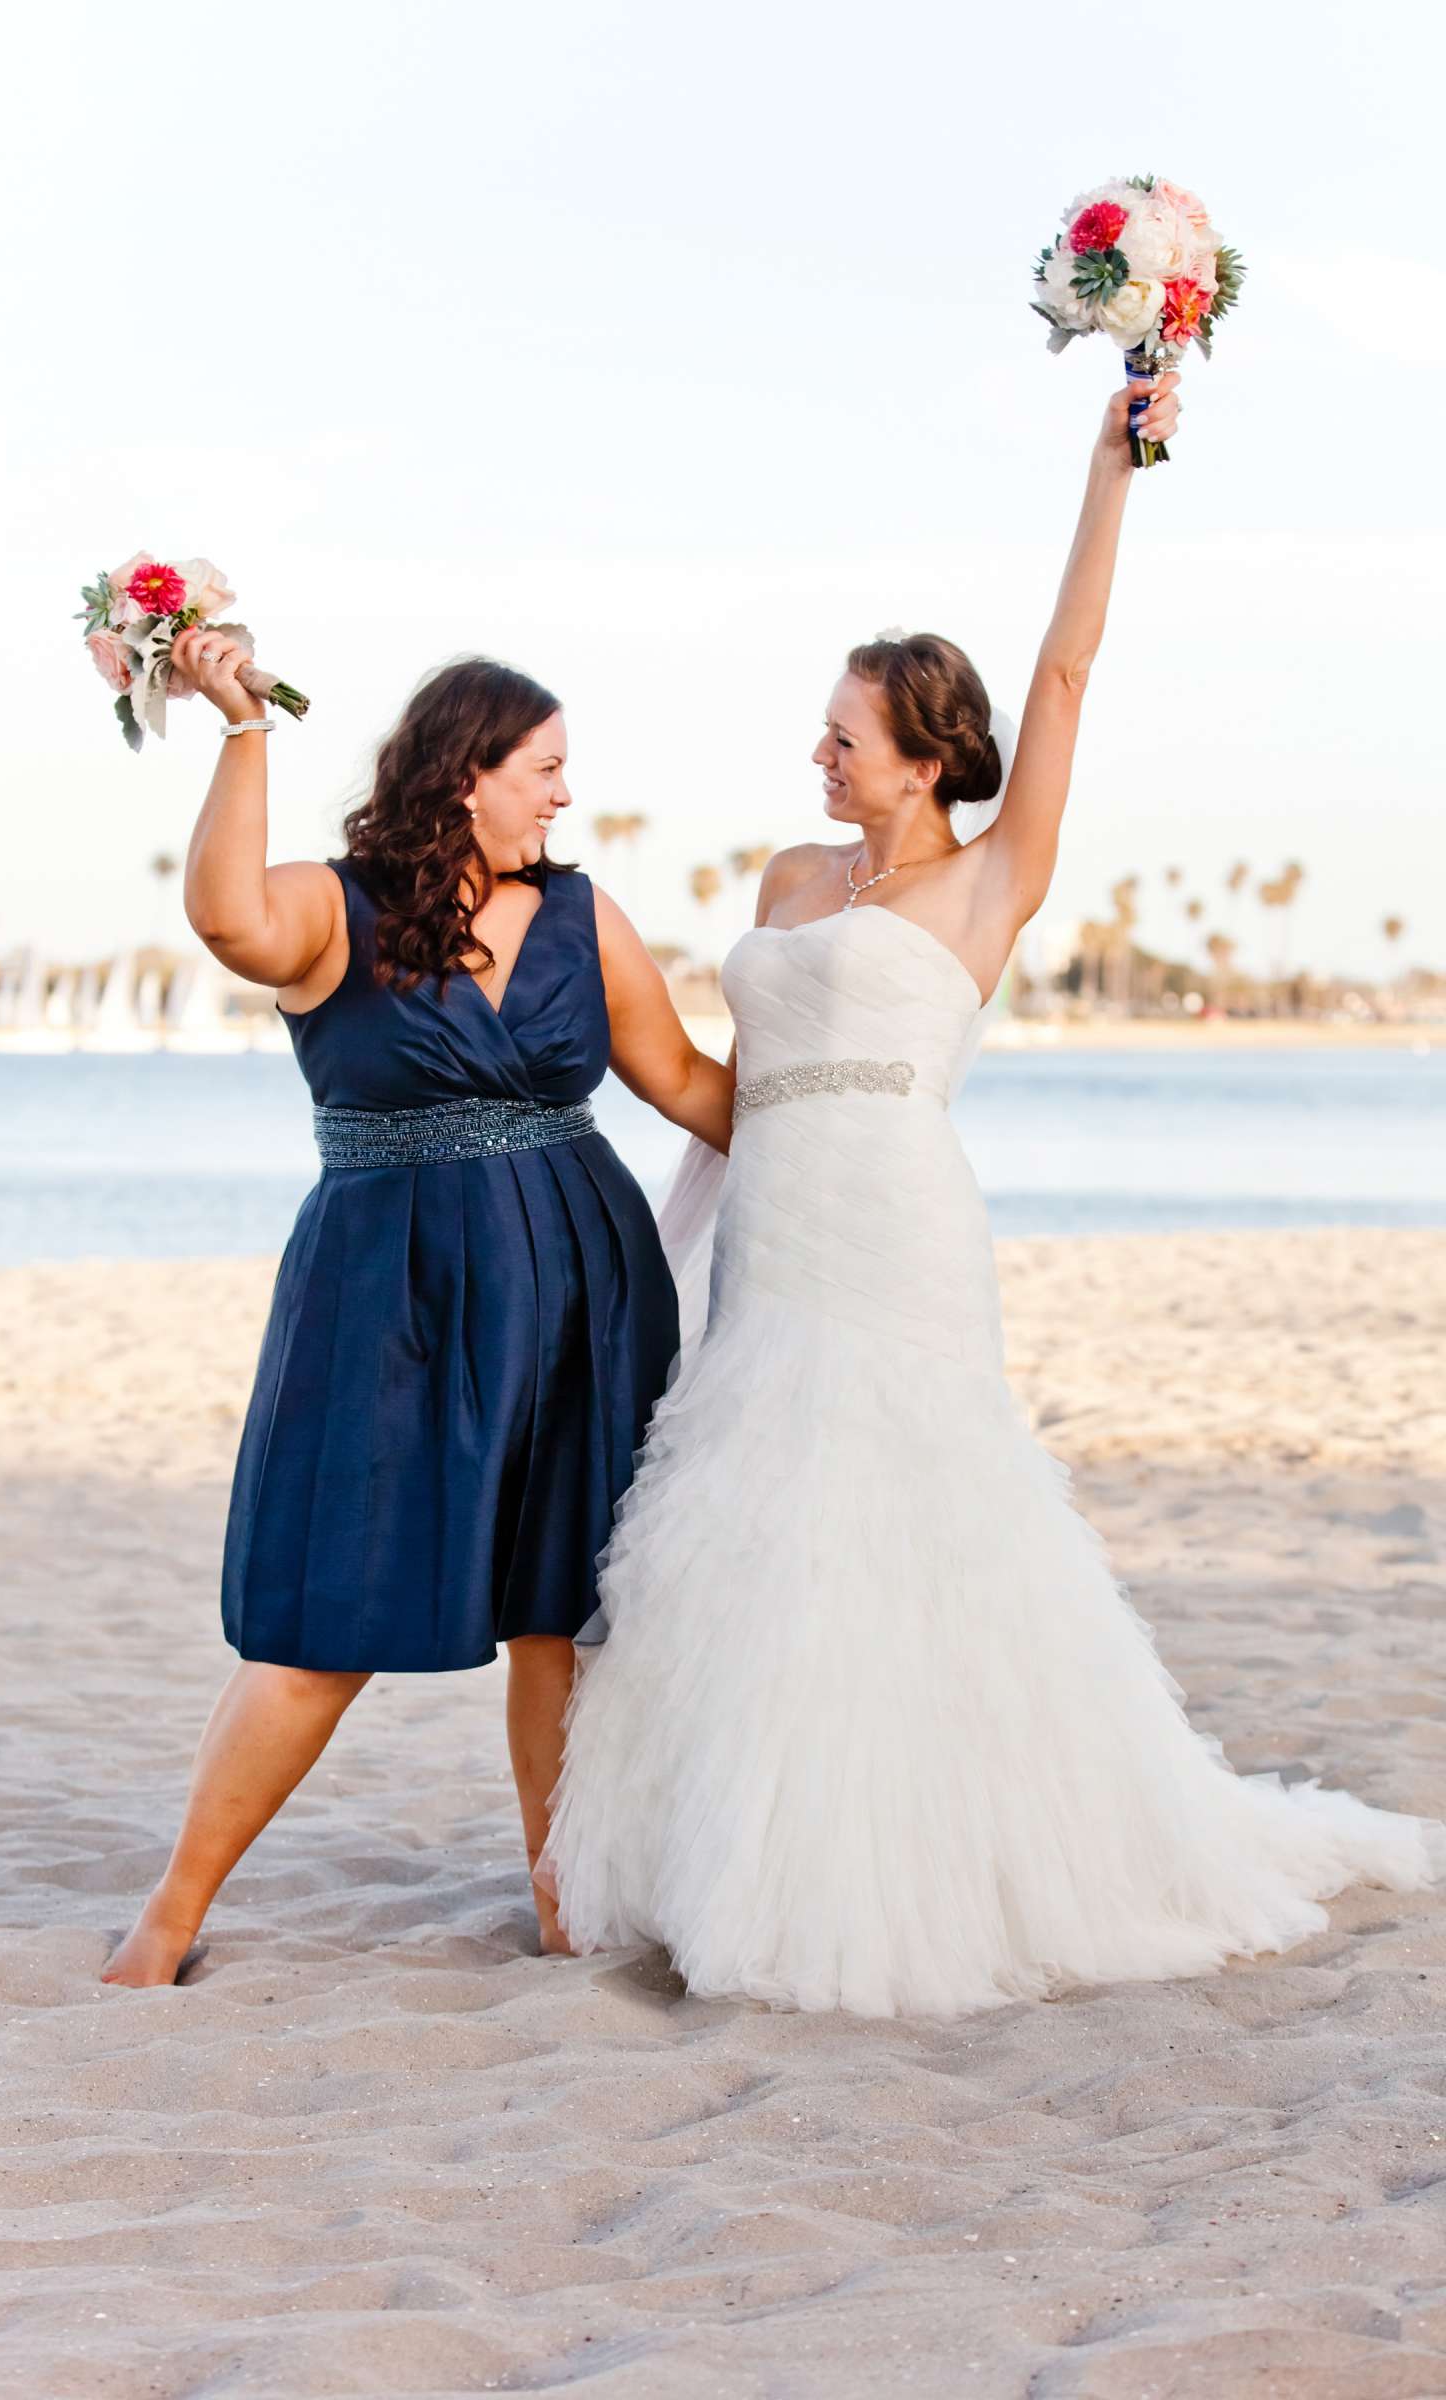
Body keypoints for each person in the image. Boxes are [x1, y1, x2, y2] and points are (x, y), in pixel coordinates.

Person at [542, 372, 1446, 2018]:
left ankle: (916, 1864)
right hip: (773, 1230)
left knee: (904, 1522)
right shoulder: (790, 881)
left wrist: (1113, 468)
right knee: (751, 1530)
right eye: (818, 725)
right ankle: (734, 1858)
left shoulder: (992, 876)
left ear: (923, 754)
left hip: (895, 1232)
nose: (815, 750)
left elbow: (1067, 667)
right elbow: (732, 1091)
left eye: (843, 733)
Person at [103, 650, 731, 1987]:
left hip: (583, 1291)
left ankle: (563, 1898)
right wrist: (246, 733)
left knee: (559, 1613)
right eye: (546, 770)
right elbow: (223, 919)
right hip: (387, 1298)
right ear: (466, 775)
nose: (566, 796)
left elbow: (678, 1077)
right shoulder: (331, 910)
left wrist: (861, 1133)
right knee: (327, 1616)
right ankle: (172, 1910)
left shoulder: (583, 915)